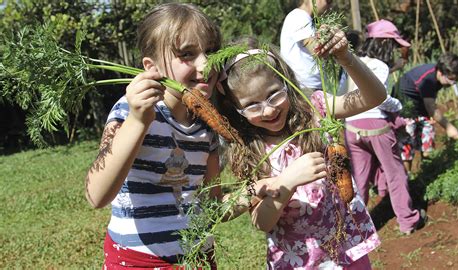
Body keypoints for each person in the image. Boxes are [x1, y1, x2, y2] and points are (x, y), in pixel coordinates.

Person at [84, 3, 274, 269]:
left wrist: (256, 190)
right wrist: (138, 121)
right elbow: (97, 195)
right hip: (139, 260)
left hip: (198, 255)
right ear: (152, 67)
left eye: (210, 51)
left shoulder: (207, 126)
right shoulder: (130, 110)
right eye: (187, 54)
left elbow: (210, 206)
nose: (206, 64)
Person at [216, 28, 386, 269]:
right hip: (300, 259)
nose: (268, 110)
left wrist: (345, 57)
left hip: (346, 246)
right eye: (252, 105)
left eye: (274, 94)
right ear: (236, 109)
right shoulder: (249, 148)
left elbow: (374, 96)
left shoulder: (314, 108)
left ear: (286, 82)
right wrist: (287, 181)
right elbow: (261, 221)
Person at [340, 19, 425, 235]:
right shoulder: (380, 66)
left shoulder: (351, 61)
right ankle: (407, 220)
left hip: (352, 127)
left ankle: (354, 228)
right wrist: (398, 107)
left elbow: (343, 94)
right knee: (395, 173)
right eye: (393, 44)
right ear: (386, 43)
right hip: (376, 126)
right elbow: (380, 98)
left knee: (359, 180)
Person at [393, 52, 458, 173]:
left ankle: (426, 172)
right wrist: (449, 127)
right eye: (451, 79)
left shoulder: (438, 76)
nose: (452, 83)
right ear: (441, 72)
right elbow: (432, 108)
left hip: (420, 106)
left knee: (427, 138)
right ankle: (407, 178)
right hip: (405, 109)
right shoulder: (428, 79)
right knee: (407, 146)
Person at [280, 0, 331, 96]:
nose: (329, 7)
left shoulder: (303, 18)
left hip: (308, 86)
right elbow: (315, 49)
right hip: (305, 87)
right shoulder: (299, 17)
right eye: (328, 1)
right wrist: (327, 34)